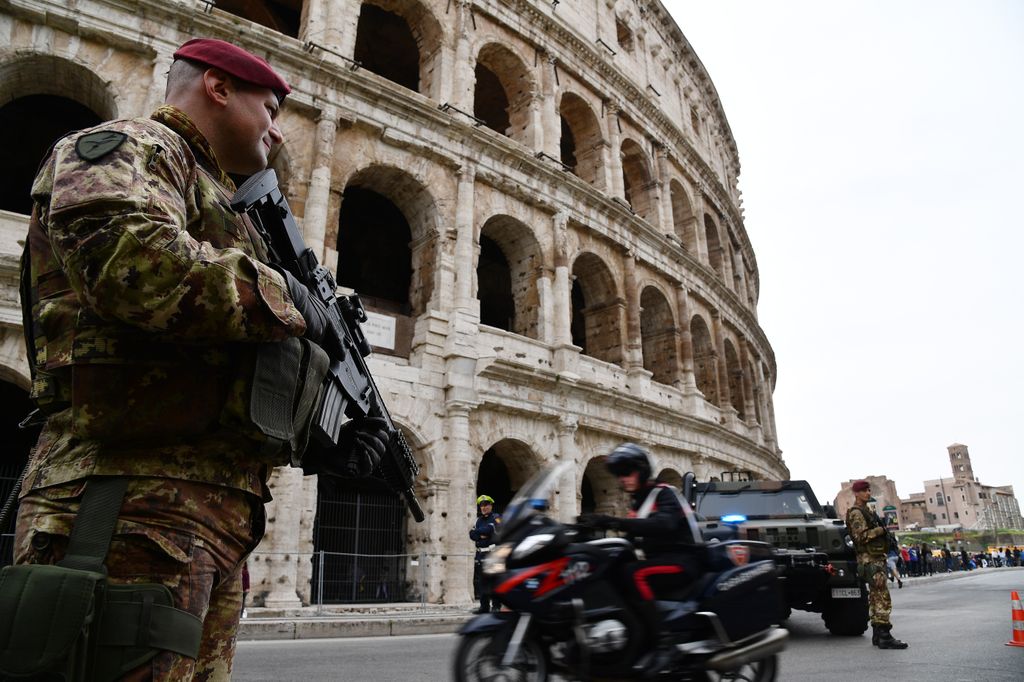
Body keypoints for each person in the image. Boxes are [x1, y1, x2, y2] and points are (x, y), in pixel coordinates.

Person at [12, 38, 390, 680]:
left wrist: (320, 436)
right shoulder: (129, 147)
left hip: (208, 518)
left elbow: (235, 364)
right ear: (218, 87)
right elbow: (130, 263)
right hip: (121, 501)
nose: (275, 130)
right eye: (269, 107)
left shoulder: (231, 210)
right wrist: (291, 297)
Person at [577, 443, 703, 672]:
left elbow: (663, 524)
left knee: (635, 575)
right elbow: (632, 535)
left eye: (627, 472)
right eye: (619, 474)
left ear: (642, 470)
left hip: (682, 560)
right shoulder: (639, 500)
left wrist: (613, 522)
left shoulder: (664, 493)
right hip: (659, 559)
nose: (622, 479)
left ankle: (663, 642)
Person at [845, 480, 909, 649]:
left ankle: (877, 635)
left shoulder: (866, 511)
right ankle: (884, 636)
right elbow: (859, 537)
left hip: (874, 558)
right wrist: (880, 530)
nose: (868, 493)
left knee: (875, 597)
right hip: (869, 559)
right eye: (864, 491)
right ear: (856, 493)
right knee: (882, 597)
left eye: (869, 490)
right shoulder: (856, 513)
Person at [470, 494, 502, 613]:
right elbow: (471, 535)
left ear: (491, 505)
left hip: (494, 555)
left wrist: (481, 532)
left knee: (495, 581)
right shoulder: (478, 520)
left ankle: (496, 606)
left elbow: (492, 529)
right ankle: (484, 607)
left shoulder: (497, 517)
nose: (484, 507)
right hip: (481, 555)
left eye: (486, 505)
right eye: (482, 505)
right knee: (482, 582)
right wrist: (482, 533)